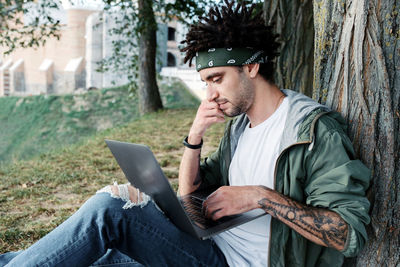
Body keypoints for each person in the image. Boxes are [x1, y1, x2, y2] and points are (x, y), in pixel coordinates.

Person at [0, 1, 371, 266]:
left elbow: (347, 233)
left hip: (234, 261)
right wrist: (195, 136)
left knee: (110, 212)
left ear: (252, 66)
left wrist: (261, 197)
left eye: (216, 79)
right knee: (102, 255)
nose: (210, 93)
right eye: (205, 82)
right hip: (206, 246)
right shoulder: (241, 126)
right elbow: (189, 192)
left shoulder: (312, 130)